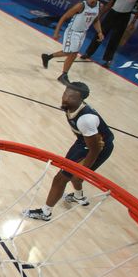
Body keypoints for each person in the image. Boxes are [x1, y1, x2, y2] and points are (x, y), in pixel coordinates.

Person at [23, 82, 114, 221]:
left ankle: (45, 212)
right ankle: (78, 196)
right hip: (83, 142)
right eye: (65, 93)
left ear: (81, 100)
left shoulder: (86, 119)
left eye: (71, 97)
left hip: (98, 148)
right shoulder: (70, 106)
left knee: (61, 179)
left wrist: (83, 170)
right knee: (73, 177)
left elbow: (95, 149)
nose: (66, 98)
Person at [81, 0, 138, 68]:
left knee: (115, 39)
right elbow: (110, 3)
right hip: (112, 13)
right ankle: (88, 53)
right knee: (100, 34)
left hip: (124, 17)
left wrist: (133, 22)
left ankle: (108, 59)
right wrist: (99, 15)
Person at [41, 0, 104, 84]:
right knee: (73, 53)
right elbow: (64, 17)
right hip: (72, 31)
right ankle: (63, 75)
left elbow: (95, 20)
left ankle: (47, 57)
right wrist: (56, 32)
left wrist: (99, 32)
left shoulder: (99, 6)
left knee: (68, 52)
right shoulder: (81, 5)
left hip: (83, 33)